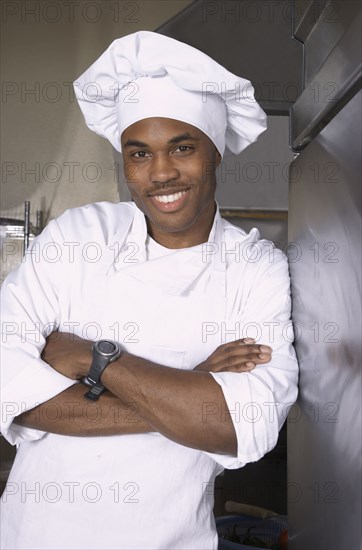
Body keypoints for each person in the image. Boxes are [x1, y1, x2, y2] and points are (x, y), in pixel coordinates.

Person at [0, 31, 298, 549]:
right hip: (35, 535)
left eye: (182, 148)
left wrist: (99, 362)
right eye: (139, 154)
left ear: (215, 154)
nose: (161, 173)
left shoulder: (255, 267)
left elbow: (242, 426)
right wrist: (191, 387)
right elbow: (10, 392)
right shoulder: (79, 235)